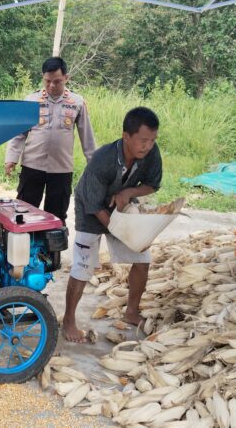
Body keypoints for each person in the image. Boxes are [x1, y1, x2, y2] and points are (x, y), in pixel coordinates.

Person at [62, 107, 162, 343]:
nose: (148, 146)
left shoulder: (151, 153)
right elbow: (95, 206)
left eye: (152, 140)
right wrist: (121, 231)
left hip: (122, 205)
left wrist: (129, 191)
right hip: (90, 207)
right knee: (83, 266)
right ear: (126, 136)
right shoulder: (103, 158)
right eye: (143, 140)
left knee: (142, 258)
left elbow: (152, 184)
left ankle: (131, 312)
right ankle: (68, 321)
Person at [4, 57, 96, 222]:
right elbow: (18, 133)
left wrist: (94, 165)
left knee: (56, 218)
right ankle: (26, 248)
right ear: (42, 77)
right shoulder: (31, 101)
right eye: (47, 81)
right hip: (32, 166)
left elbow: (87, 137)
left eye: (57, 81)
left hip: (61, 170)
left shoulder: (77, 102)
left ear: (66, 78)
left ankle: (52, 249)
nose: (52, 86)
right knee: (24, 214)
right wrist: (11, 158)